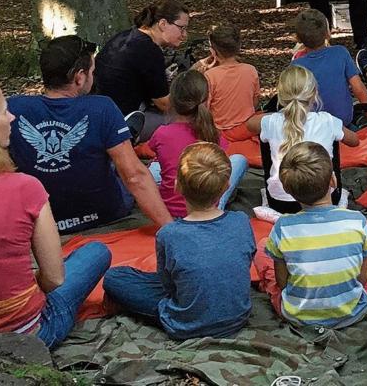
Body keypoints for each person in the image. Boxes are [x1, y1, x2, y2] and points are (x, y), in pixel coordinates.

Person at [0, 75, 112, 348]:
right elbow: (55, 278)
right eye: (4, 111)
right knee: (96, 251)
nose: (12, 118)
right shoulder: (25, 188)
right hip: (29, 335)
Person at [8, 36, 172, 234]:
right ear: (79, 77)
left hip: (43, 218)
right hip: (105, 213)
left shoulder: (13, 108)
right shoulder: (101, 108)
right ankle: (124, 134)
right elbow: (134, 176)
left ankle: (121, 134)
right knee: (122, 164)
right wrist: (171, 231)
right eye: (92, 72)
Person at [102, 143, 256, 340]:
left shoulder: (170, 233)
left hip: (184, 324)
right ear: (227, 186)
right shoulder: (241, 220)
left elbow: (168, 285)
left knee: (115, 278)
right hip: (237, 318)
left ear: (177, 185)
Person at [257, 142, 367, 328]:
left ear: (287, 190)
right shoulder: (357, 220)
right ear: (333, 181)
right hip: (353, 311)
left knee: (262, 247)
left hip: (298, 315)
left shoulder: (283, 227)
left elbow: (282, 283)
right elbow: (361, 277)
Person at [250, 65, 359, 213]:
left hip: (280, 202)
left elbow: (249, 125)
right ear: (314, 94)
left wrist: (271, 117)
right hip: (327, 199)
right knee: (333, 136)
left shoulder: (271, 121)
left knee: (265, 135)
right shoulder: (326, 120)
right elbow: (354, 141)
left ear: (280, 96)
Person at [147, 70, 248, 217]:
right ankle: (216, 205)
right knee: (239, 160)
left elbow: (155, 151)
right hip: (206, 199)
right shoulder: (212, 133)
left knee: (152, 169)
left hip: (171, 208)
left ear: (173, 101)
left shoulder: (162, 133)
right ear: (207, 100)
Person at [94, 0, 190, 142]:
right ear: (162, 24)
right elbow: (165, 104)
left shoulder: (124, 36)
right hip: (122, 124)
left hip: (98, 115)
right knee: (186, 120)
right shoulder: (150, 51)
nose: (184, 35)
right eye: (181, 28)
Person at [291, 8, 367, 127]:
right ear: (328, 33)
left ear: (297, 39)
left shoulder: (296, 65)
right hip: (342, 123)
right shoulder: (340, 53)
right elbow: (357, 87)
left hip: (312, 125)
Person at [194, 23, 261, 141]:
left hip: (220, 132)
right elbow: (254, 103)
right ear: (238, 47)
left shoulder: (210, 76)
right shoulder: (251, 70)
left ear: (213, 52)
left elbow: (204, 110)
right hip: (246, 129)